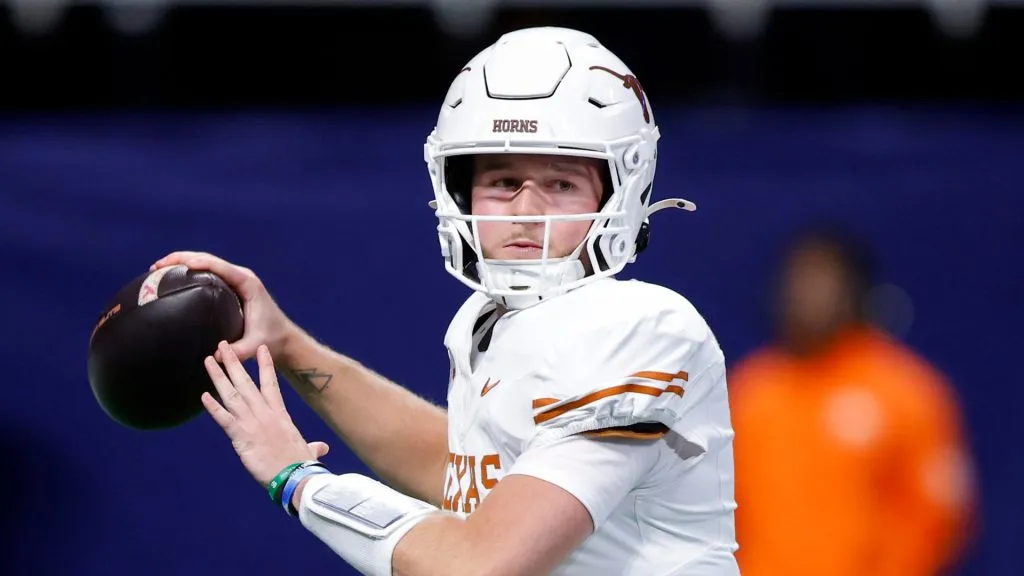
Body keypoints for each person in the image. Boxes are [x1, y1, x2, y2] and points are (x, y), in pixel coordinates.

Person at [151, 27, 739, 576]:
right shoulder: (490, 321)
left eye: (560, 183)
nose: (526, 209)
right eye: (503, 181)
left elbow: (481, 561)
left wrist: (300, 481)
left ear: (622, 189)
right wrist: (290, 346)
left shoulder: (640, 327)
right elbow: (461, 473)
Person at [729, 227, 977, 576]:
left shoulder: (905, 391)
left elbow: (937, 516)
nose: (807, 295)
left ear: (854, 289)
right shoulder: (750, 390)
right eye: (799, 280)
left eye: (823, 279)